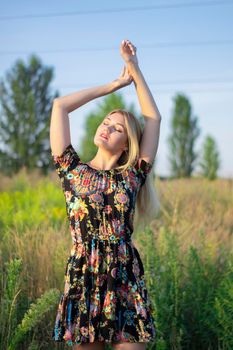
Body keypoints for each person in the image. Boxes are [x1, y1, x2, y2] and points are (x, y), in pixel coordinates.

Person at [50, 39, 162, 350]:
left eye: (117, 128)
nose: (106, 128)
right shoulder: (72, 170)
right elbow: (60, 106)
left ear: (128, 144)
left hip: (125, 278)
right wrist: (113, 85)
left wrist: (135, 69)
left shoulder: (132, 175)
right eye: (106, 122)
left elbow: (153, 119)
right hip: (84, 277)